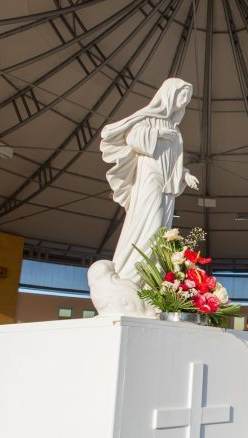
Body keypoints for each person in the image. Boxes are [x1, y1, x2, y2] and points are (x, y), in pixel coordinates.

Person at [99, 78, 200, 287]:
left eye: (188, 98)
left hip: (167, 183)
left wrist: (184, 174)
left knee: (163, 230)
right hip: (149, 176)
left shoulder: (175, 129)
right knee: (149, 223)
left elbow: (173, 160)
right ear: (169, 94)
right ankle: (132, 277)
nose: (185, 101)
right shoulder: (149, 119)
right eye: (182, 95)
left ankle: (152, 282)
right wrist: (157, 134)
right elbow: (132, 138)